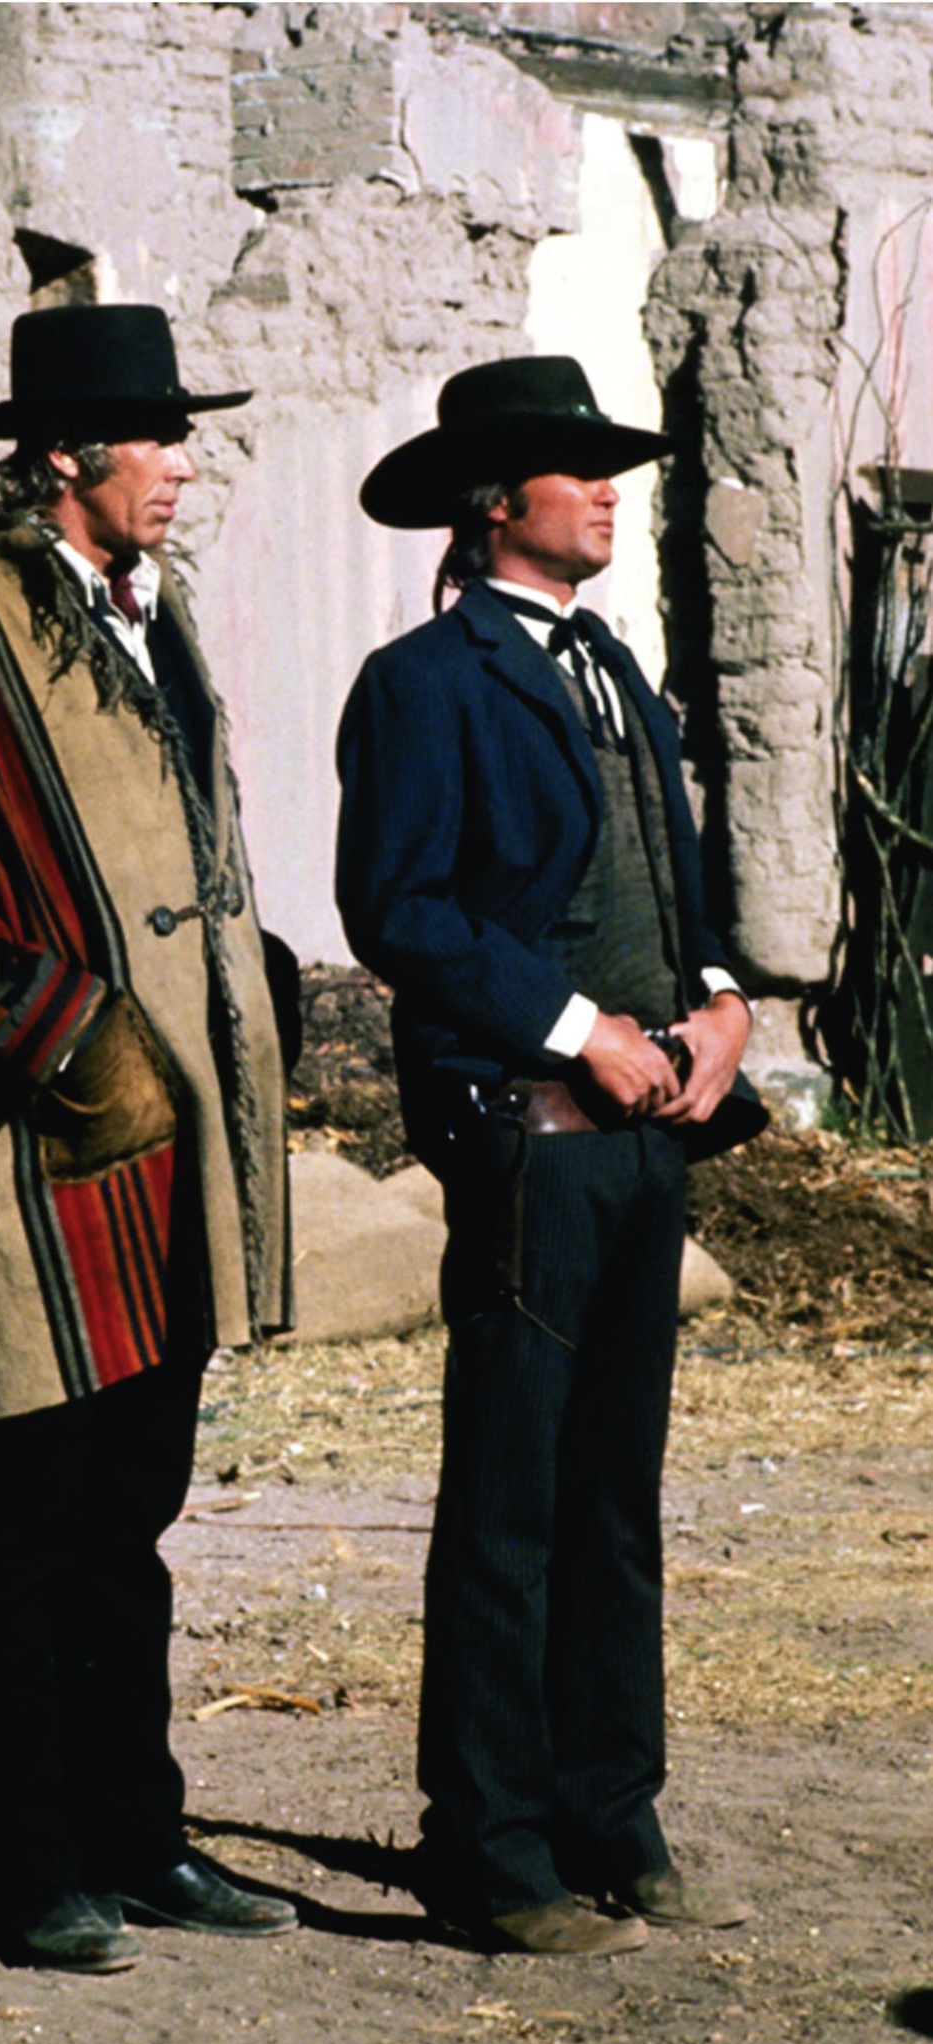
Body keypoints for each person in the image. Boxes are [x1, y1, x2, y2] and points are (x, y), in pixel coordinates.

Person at [0, 302, 296, 1973]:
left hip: (187, 1155)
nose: (182, 461)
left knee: (133, 1513)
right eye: (156, 437)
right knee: (28, 1513)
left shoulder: (150, 624)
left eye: (181, 434)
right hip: (55, 1155)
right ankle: (29, 1865)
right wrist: (65, 1036)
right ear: (64, 461)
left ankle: (139, 1835)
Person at [336, 355, 766, 1958]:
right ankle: (492, 1845)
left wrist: (716, 1004)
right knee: (512, 1505)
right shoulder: (425, 684)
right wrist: (574, 1024)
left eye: (606, 470)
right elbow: (405, 911)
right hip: (530, 1143)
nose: (605, 490)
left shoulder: (619, 676)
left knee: (614, 1501)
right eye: (572, 470)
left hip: (650, 1144)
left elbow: (677, 882)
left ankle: (611, 1808)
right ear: (492, 503)